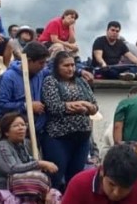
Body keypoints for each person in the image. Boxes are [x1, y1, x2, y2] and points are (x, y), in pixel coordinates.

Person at [41, 51, 99, 191]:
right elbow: (54, 107)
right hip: (59, 138)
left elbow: (95, 106)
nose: (70, 69)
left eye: (72, 65)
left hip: (82, 137)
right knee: (56, 177)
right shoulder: (51, 81)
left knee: (76, 179)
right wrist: (81, 104)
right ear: (57, 67)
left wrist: (88, 106)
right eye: (66, 65)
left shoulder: (81, 82)